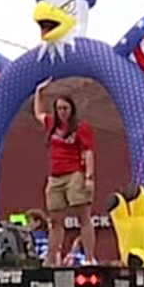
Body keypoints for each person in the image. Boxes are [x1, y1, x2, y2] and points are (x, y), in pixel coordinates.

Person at [34, 85, 96, 266]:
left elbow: (89, 151)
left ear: (71, 109)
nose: (62, 112)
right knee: (55, 220)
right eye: (59, 108)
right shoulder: (52, 124)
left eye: (65, 108)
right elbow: (38, 113)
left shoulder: (81, 128)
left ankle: (90, 258)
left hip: (75, 173)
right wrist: (39, 93)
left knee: (82, 217)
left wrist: (89, 177)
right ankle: (51, 259)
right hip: (55, 176)